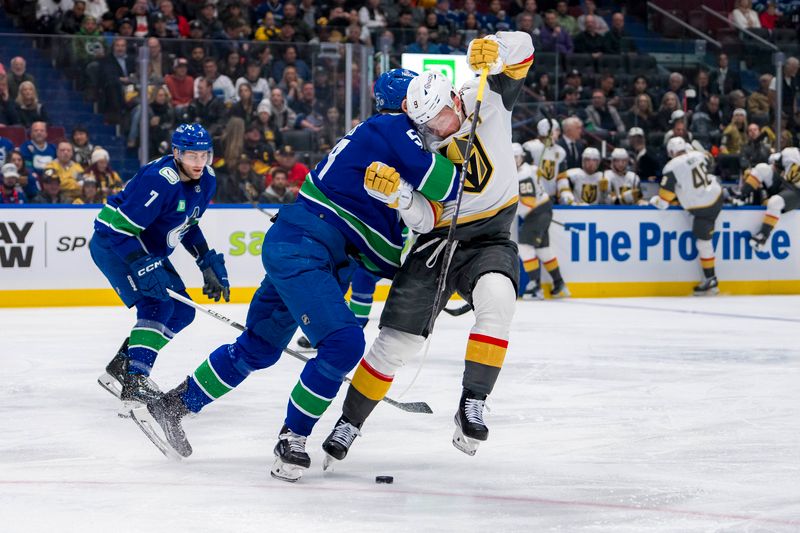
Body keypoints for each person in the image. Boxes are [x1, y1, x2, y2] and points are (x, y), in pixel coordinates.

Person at [128, 69, 460, 483]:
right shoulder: (392, 127)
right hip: (305, 249)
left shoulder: (380, 146)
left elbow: (386, 256)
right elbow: (450, 187)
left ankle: (173, 405)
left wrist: (407, 203)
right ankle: (293, 439)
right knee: (343, 344)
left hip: (299, 249)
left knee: (258, 348)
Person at [323, 31, 535, 465]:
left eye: (441, 116)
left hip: (490, 236)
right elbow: (424, 217)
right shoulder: (415, 145)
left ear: (454, 100)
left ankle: (472, 401)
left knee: (498, 297)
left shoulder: (485, 94)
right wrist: (400, 196)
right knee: (394, 344)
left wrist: (497, 46)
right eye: (429, 125)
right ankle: (349, 422)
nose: (439, 129)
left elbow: (526, 47)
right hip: (436, 243)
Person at [91, 123, 229, 416]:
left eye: (205, 155)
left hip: (146, 249)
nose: (199, 163)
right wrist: (140, 264)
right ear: (176, 152)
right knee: (157, 304)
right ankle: (135, 380)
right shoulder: (159, 180)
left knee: (183, 311)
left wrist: (205, 261)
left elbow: (187, 224)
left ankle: (123, 364)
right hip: (114, 245)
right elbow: (118, 229)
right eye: (192, 156)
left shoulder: (208, 179)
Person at [650, 137, 722, 296]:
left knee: (703, 242)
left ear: (670, 152)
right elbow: (710, 163)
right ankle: (711, 279)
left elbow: (664, 201)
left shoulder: (671, 166)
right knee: (704, 243)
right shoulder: (698, 155)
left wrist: (653, 200)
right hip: (717, 199)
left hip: (700, 207)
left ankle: (711, 279)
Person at [513, 143, 568, 300]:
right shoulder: (529, 169)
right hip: (542, 210)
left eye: (516, 157)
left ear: (521, 157)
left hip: (536, 212)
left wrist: (508, 210)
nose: (514, 160)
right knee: (543, 250)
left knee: (524, 246)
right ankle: (559, 283)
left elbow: (529, 202)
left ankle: (535, 286)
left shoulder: (522, 174)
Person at [746, 148, 800, 251]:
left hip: (796, 194)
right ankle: (741, 196)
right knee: (762, 168)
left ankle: (763, 237)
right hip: (782, 184)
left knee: (775, 202)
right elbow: (773, 159)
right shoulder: (792, 152)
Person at [522, 118, 566, 206]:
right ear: (548, 131)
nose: (559, 133)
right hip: (532, 197)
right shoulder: (530, 147)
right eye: (556, 130)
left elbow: (561, 177)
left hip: (552, 198)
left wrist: (565, 194)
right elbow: (522, 173)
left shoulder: (560, 151)